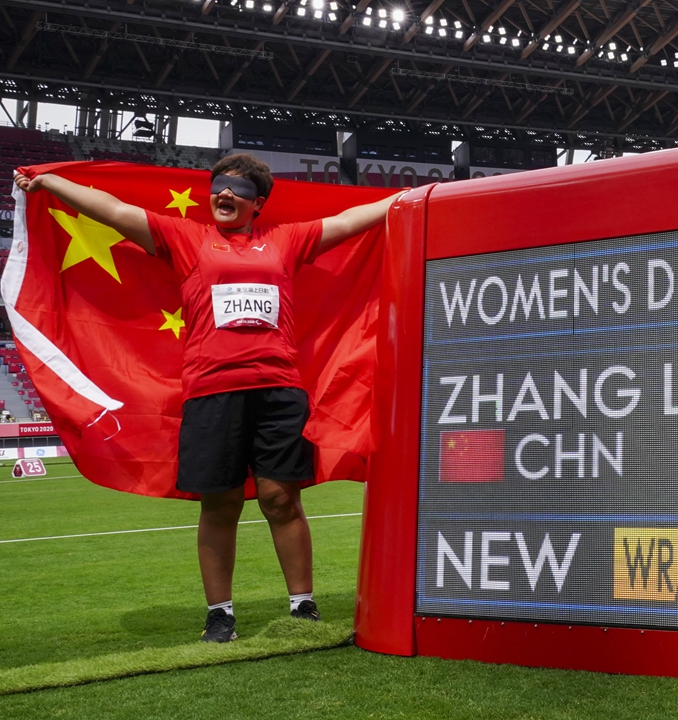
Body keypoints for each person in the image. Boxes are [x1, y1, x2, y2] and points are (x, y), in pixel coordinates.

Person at [15, 154, 402, 643]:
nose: (224, 195)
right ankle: (220, 614)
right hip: (211, 391)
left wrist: (415, 198)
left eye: (237, 190)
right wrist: (51, 183)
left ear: (257, 203)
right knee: (219, 504)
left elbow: (350, 221)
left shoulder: (285, 240)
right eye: (218, 187)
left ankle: (303, 606)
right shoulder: (187, 237)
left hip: (279, 390)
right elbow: (112, 210)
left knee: (280, 499)